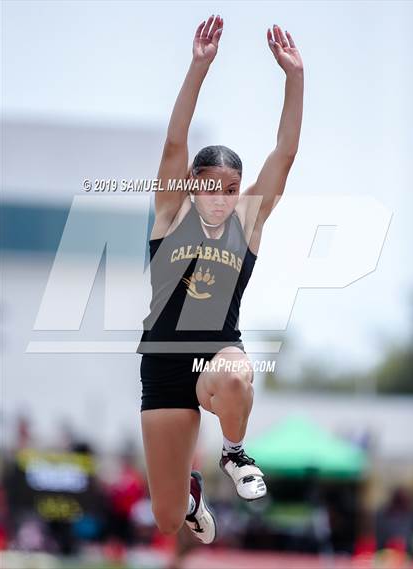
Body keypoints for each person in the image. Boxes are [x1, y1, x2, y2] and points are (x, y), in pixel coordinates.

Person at [136, 14, 304, 544]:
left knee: (236, 379)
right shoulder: (170, 215)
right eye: (211, 185)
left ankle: (234, 452)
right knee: (167, 521)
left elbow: (285, 154)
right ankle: (189, 495)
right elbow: (172, 144)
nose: (223, 194)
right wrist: (198, 68)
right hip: (162, 365)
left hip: (218, 352)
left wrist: (294, 78)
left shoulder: (247, 224)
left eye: (232, 186)